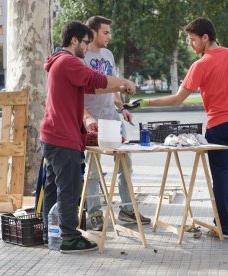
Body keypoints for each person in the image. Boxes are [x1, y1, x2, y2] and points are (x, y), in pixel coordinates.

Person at [126, 17, 228, 238]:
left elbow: (177, 100)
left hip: (219, 126)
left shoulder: (201, 64)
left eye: (193, 39)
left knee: (221, 178)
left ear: (206, 37)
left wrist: (146, 103)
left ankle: (223, 228)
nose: (191, 44)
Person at [40, 21, 136, 253]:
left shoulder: (58, 62)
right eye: (85, 41)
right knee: (69, 189)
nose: (87, 46)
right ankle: (69, 238)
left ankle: (50, 233)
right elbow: (96, 79)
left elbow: (91, 87)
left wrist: (119, 90)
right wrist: (124, 82)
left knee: (54, 187)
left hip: (52, 135)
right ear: (74, 40)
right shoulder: (69, 61)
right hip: (63, 137)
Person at [82, 16, 151, 230]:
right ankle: (94, 214)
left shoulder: (108, 55)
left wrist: (121, 109)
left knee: (125, 166)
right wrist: (87, 118)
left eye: (109, 32)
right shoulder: (82, 56)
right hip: (94, 124)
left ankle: (127, 210)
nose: (109, 36)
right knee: (93, 170)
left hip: (113, 120)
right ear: (93, 33)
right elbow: (80, 92)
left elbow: (112, 86)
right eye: (105, 32)